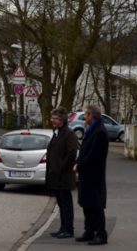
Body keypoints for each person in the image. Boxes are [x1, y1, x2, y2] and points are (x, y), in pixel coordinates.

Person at [75, 104, 110, 245]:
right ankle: (89, 231)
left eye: (86, 115)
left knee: (96, 206)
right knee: (87, 204)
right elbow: (84, 150)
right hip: (86, 173)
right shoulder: (91, 129)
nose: (84, 117)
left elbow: (95, 155)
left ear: (92, 116)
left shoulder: (100, 131)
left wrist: (80, 164)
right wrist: (79, 162)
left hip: (94, 175)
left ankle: (101, 234)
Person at [45, 107, 79, 239]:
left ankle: (68, 229)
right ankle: (63, 228)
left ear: (62, 120)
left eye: (55, 118)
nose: (52, 120)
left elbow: (71, 154)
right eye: (52, 118)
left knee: (66, 204)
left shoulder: (69, 134)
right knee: (61, 203)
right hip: (56, 175)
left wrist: (61, 167)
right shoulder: (57, 132)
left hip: (64, 175)